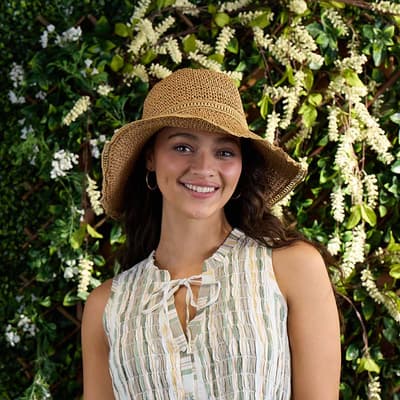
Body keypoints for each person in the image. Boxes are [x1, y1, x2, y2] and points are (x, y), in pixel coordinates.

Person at [81, 68, 341, 400]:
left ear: (241, 165)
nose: (204, 168)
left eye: (224, 152)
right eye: (183, 147)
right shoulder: (107, 307)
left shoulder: (292, 269)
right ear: (150, 157)